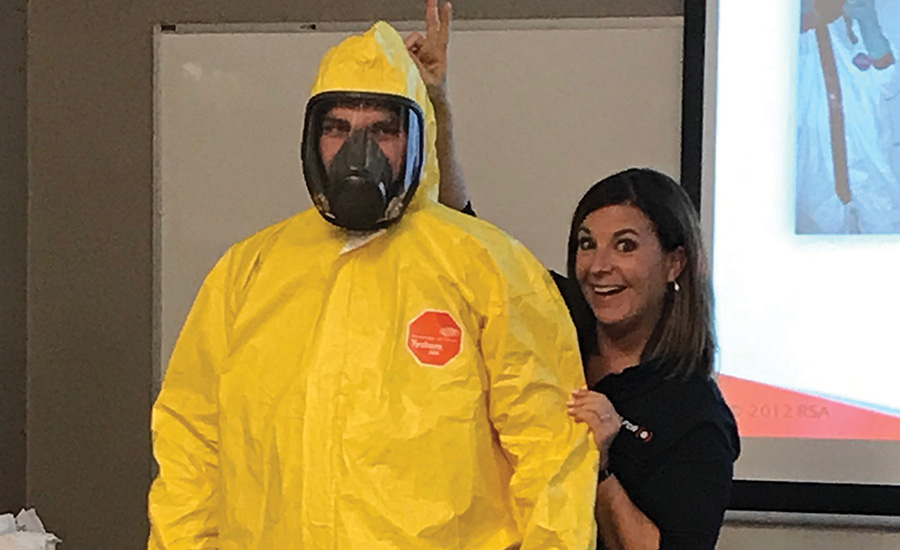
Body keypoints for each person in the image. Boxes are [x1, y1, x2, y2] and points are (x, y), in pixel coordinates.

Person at [148, 21, 600, 550]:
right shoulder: (248, 272)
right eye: (338, 128)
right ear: (313, 138)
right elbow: (191, 446)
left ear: (416, 137)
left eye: (383, 131)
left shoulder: (489, 267)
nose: (356, 151)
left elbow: (552, 456)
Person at [406, 3, 740, 548]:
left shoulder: (695, 414)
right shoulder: (555, 316)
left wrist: (600, 464)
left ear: (674, 262)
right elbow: (467, 237)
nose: (599, 266)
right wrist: (437, 103)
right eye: (587, 244)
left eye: (625, 246)